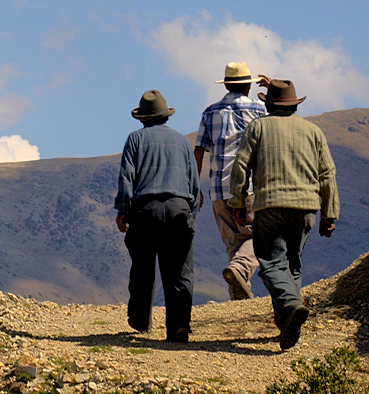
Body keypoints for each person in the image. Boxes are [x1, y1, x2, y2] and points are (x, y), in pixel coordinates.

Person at [228, 79, 339, 351]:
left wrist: (238, 202)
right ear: (294, 104)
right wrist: (329, 213)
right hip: (306, 208)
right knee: (293, 264)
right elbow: (327, 174)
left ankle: (290, 306)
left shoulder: (259, 127)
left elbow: (241, 166)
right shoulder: (313, 131)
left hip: (270, 206)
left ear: (267, 104)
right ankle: (287, 319)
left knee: (270, 262)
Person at [114, 89, 198, 343]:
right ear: (166, 115)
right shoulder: (183, 142)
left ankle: (140, 319)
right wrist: (189, 213)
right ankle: (179, 326)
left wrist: (123, 209)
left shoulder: (135, 140)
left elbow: (127, 177)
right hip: (178, 208)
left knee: (142, 267)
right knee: (180, 271)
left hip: (145, 210)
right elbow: (193, 183)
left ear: (142, 118)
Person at [194, 63, 269, 301]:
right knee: (260, 237)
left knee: (233, 243)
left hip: (218, 188)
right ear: (249, 85)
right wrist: (273, 89)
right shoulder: (260, 109)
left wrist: (195, 187)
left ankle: (239, 298)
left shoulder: (210, 112)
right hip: (249, 187)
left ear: (226, 84)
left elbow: (198, 151)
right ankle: (239, 273)